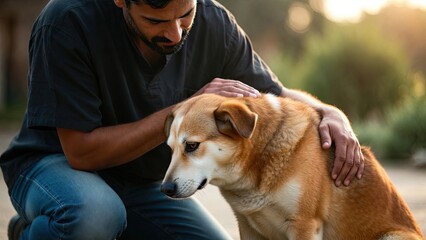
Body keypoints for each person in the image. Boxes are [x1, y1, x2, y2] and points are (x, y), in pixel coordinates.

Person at [0, 0, 365, 239]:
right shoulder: (66, 22)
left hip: (142, 180)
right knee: (94, 215)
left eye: (185, 14)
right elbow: (82, 152)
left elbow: (275, 95)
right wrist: (188, 108)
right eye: (155, 20)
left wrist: (329, 113)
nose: (175, 33)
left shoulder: (214, 21)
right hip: (56, 165)